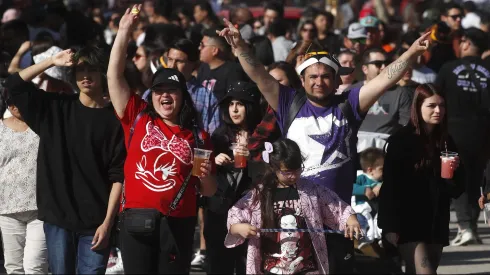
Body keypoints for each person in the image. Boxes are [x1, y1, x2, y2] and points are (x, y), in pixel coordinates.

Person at [217, 18, 430, 273]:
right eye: (313, 77)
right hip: (292, 220)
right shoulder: (288, 102)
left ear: (337, 80)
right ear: (303, 80)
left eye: (326, 76)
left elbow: (384, 79)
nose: (319, 81)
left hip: (337, 218)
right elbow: (259, 74)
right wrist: (239, 46)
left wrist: (412, 52)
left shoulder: (349, 103)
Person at [107, 6, 217, 273]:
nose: (165, 96)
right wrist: (123, 32)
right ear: (152, 95)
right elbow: (114, 75)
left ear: (183, 96)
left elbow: (209, 190)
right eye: (159, 91)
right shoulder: (137, 117)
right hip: (135, 220)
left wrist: (204, 175)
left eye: (173, 91)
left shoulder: (198, 136)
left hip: (179, 222)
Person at [4, 45, 126, 273]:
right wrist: (52, 61)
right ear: (72, 75)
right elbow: (13, 84)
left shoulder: (114, 120)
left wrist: (108, 223)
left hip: (96, 223)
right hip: (57, 218)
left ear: (103, 73)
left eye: (92, 70)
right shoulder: (55, 107)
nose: (86, 76)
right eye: (80, 70)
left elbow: (118, 175)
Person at [225, 138, 362, 274]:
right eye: (287, 172)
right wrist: (237, 228)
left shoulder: (311, 189)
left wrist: (351, 220)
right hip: (271, 267)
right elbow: (236, 214)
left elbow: (336, 205)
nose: (293, 176)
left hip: (306, 266)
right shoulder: (260, 193)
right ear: (274, 168)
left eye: (297, 170)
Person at [378, 83, 465, 274]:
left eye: (442, 106)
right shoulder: (401, 141)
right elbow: (390, 186)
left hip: (436, 222)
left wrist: (452, 174)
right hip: (408, 222)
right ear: (417, 107)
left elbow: (457, 190)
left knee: (415, 271)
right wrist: (389, 226)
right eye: (431, 106)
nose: (438, 110)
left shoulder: (445, 141)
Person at [436, 27, 490, 246]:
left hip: (454, 132)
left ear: (466, 43)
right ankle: (472, 227)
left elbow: (436, 99)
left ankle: (465, 226)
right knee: (477, 180)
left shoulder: (449, 68)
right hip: (485, 132)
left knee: (457, 179)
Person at [205, 81, 262, 274]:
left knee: (249, 262)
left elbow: (272, 172)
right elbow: (204, 172)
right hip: (220, 211)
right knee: (219, 263)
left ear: (251, 106)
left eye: (240, 104)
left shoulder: (262, 136)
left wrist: (253, 157)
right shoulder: (219, 136)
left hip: (251, 210)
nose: (234, 109)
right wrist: (215, 159)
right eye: (230, 104)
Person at [0, 90, 47, 274]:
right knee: (13, 267)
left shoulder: (43, 126)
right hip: (7, 208)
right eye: (12, 104)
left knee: (35, 266)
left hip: (40, 209)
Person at [197, 27, 247, 101]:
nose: (199, 48)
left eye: (203, 45)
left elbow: (234, 102)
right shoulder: (203, 67)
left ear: (214, 50)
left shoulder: (234, 71)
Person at [352, 147, 384, 246]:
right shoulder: (361, 178)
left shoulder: (380, 181)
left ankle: (382, 239)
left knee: (380, 223)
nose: (384, 172)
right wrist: (364, 190)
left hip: (376, 211)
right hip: (362, 210)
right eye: (382, 169)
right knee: (362, 223)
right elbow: (350, 188)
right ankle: (362, 240)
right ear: (370, 170)